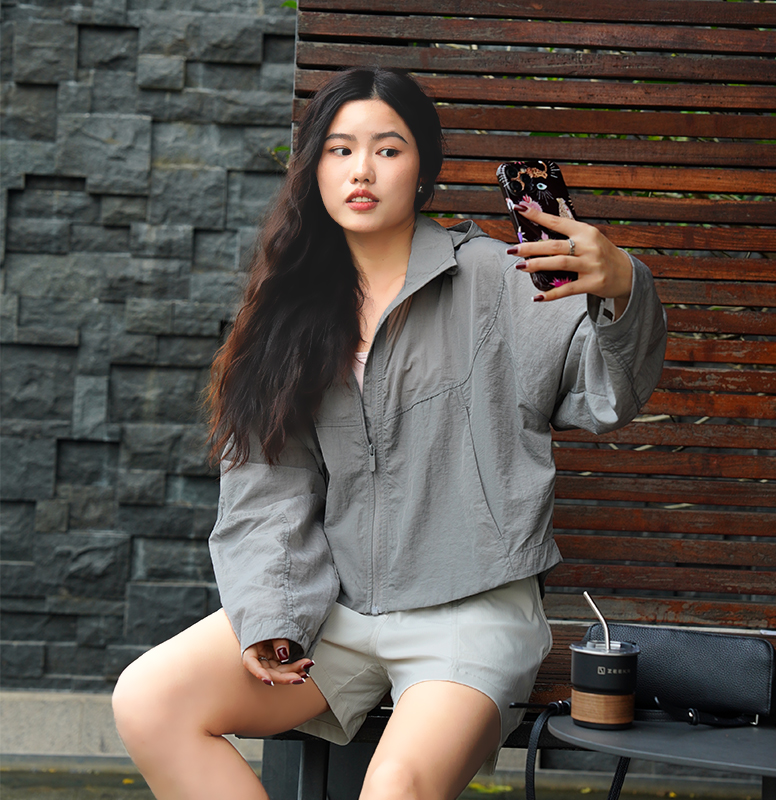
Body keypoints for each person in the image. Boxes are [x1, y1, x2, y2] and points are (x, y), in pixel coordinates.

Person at [112, 67, 667, 800]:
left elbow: (607, 394)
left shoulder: (500, 277)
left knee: (395, 787)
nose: (362, 171)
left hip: (469, 612)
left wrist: (623, 284)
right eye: (340, 150)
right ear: (313, 168)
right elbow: (268, 484)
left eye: (388, 149)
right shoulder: (289, 307)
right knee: (150, 700)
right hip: (336, 610)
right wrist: (273, 614)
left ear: (424, 167)